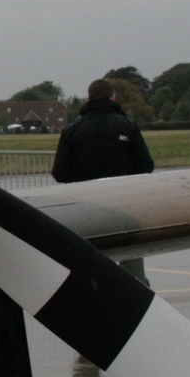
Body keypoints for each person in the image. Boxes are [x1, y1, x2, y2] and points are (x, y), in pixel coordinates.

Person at [54, 79, 156, 281]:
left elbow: (60, 173)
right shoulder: (128, 126)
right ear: (113, 97)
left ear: (89, 97)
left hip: (86, 205)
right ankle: (135, 297)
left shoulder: (72, 131)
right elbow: (146, 165)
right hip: (125, 203)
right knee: (131, 257)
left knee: (90, 258)